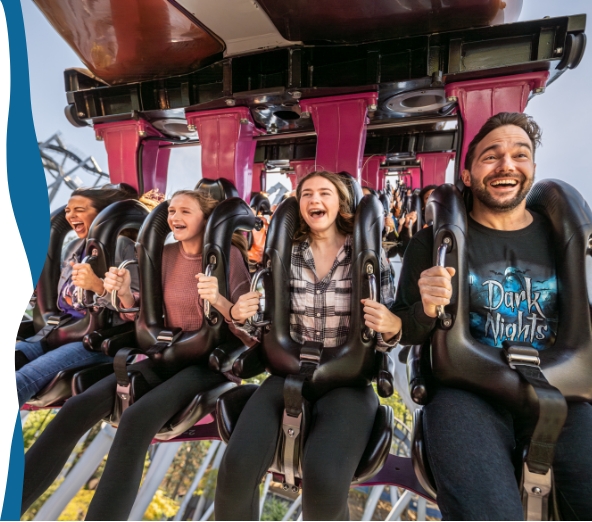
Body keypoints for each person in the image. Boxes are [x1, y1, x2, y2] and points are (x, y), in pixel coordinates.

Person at [391, 112, 592, 520]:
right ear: (467, 174)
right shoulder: (433, 244)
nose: (506, 165)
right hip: (468, 389)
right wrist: (426, 309)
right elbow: (403, 330)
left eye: (520, 155)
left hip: (558, 388)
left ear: (532, 168)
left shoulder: (561, 239)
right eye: (491, 156)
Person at [21, 189, 254, 520]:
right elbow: (139, 315)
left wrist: (218, 300)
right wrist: (123, 292)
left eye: (186, 212)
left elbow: (247, 329)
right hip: (163, 356)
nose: (175, 217)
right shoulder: (164, 254)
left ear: (207, 218)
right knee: (78, 407)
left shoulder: (227, 257)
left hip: (206, 365)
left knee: (135, 420)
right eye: (172, 211)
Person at [215, 171, 403, 521]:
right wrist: (241, 313)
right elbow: (262, 320)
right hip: (289, 372)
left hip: (347, 381)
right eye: (306, 195)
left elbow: (387, 331)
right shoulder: (287, 255)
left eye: (324, 193)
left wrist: (391, 327)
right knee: (236, 467)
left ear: (340, 203)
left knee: (326, 476)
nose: (315, 200)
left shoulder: (369, 259)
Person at [15, 186, 140, 407]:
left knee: (21, 380)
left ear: (102, 214)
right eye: (68, 210)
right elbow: (64, 295)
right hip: (58, 329)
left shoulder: (123, 247)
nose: (70, 215)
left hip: (94, 339)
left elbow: (136, 306)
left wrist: (98, 287)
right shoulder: (75, 246)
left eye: (79, 209)